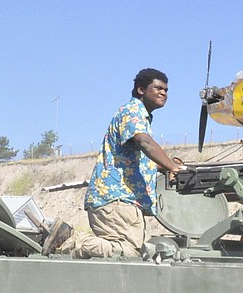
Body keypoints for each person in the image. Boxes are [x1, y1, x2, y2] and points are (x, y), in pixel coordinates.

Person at [65, 68, 180, 258]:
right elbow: (144, 142)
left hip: (123, 201)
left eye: (166, 90)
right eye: (158, 88)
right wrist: (171, 166)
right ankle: (73, 242)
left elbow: (138, 159)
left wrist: (166, 166)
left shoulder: (139, 116)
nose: (164, 93)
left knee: (128, 255)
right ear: (141, 89)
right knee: (128, 253)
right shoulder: (132, 112)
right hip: (117, 199)